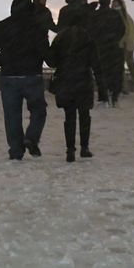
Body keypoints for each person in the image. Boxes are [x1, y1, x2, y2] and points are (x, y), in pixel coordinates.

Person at [0, 0, 49, 160]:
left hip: (9, 76)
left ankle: (16, 150)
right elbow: (45, 51)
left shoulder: (2, 26)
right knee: (38, 110)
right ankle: (31, 137)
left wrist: (4, 62)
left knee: (12, 114)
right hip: (32, 74)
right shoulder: (37, 27)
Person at [47, 10, 102, 162]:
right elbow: (95, 62)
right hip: (83, 80)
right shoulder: (88, 37)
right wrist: (101, 83)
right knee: (85, 115)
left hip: (66, 79)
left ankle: (70, 150)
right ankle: (84, 148)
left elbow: (51, 61)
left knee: (69, 116)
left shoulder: (60, 37)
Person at [89, 0, 126, 106]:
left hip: (99, 48)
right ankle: (114, 96)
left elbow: (90, 30)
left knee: (100, 73)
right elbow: (122, 29)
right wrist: (115, 39)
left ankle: (103, 97)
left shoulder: (94, 15)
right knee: (114, 72)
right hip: (113, 47)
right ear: (109, 2)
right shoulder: (115, 14)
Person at [112, 0, 134, 94]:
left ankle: (124, 87)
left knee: (120, 66)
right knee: (131, 66)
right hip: (130, 44)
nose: (113, 6)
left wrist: (121, 42)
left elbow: (125, 31)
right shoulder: (127, 16)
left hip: (124, 44)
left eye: (115, 4)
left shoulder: (120, 16)